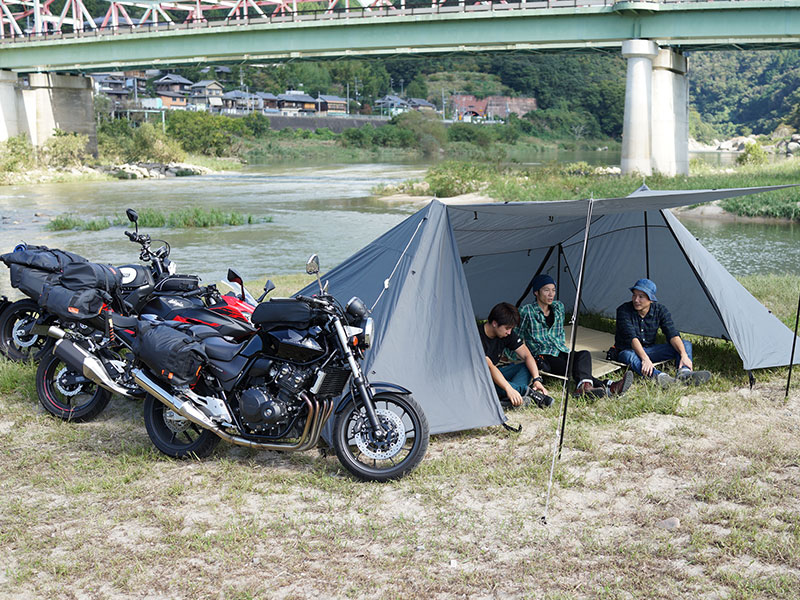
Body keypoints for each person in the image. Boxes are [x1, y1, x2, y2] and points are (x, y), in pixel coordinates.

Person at [517, 274, 633, 398]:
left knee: (584, 354)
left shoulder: (558, 308)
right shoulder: (527, 311)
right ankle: (610, 386)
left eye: (553, 290)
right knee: (574, 368)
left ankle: (586, 387)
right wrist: (511, 355)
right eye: (546, 290)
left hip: (560, 350)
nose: (551, 294)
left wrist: (562, 347)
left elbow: (559, 332)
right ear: (536, 292)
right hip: (543, 355)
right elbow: (517, 335)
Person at [614, 278, 711, 387]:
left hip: (650, 350)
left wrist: (683, 355)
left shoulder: (660, 310)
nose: (636, 300)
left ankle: (685, 373)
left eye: (641, 296)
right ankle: (659, 377)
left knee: (684, 344)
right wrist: (645, 359)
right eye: (634, 295)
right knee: (628, 355)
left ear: (651, 299)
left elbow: (672, 334)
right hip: (629, 350)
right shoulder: (623, 310)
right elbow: (632, 338)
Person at [479, 302, 553, 409]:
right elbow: (489, 367)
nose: (509, 332)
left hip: (496, 373)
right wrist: (508, 388)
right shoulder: (476, 336)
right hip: (480, 378)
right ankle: (526, 392)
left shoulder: (506, 334)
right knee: (491, 383)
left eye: (511, 329)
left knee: (526, 366)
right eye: (507, 328)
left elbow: (527, 355)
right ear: (494, 323)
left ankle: (512, 396)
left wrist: (537, 379)